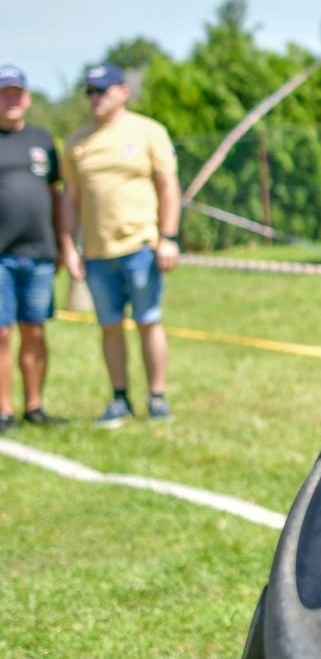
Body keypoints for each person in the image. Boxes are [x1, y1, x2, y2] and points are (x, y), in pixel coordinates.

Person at [59, 63, 182, 427]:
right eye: (90, 92)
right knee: (110, 326)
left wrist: (168, 237)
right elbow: (71, 198)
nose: (95, 98)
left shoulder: (148, 132)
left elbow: (167, 186)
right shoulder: (76, 141)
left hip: (141, 246)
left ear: (122, 92)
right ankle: (119, 398)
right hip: (97, 254)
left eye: (102, 90)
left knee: (148, 321)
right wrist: (68, 245)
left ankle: (156, 397)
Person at [0, 65, 69, 429]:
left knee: (35, 330)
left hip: (40, 255)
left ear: (26, 98)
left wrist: (62, 244)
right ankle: (4, 410)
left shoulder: (43, 140)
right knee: (2, 332)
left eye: (16, 93)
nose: (10, 100)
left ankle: (35, 406)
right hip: (1, 257)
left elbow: (57, 196)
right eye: (3, 93)